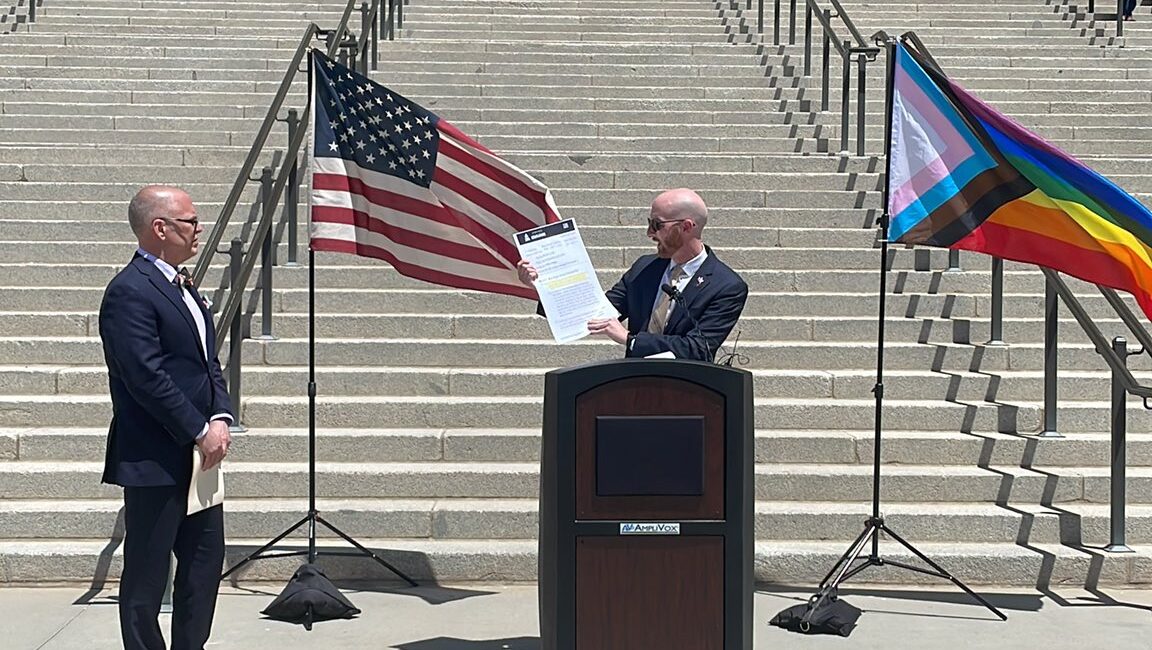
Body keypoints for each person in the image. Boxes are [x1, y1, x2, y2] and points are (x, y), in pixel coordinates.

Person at [99, 185, 233, 650]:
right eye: (191, 221)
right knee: (146, 579)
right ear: (160, 228)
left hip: (200, 457)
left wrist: (219, 416)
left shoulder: (184, 284)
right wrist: (198, 429)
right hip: (155, 458)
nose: (199, 230)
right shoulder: (129, 291)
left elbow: (207, 360)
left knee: (203, 567)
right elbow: (145, 377)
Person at [518, 188, 748, 362]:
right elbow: (595, 313)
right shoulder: (645, 268)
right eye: (649, 223)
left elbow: (699, 348)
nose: (649, 233)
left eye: (657, 224)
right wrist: (542, 287)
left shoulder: (726, 286)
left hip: (687, 393)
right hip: (634, 385)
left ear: (686, 226)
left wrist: (631, 339)